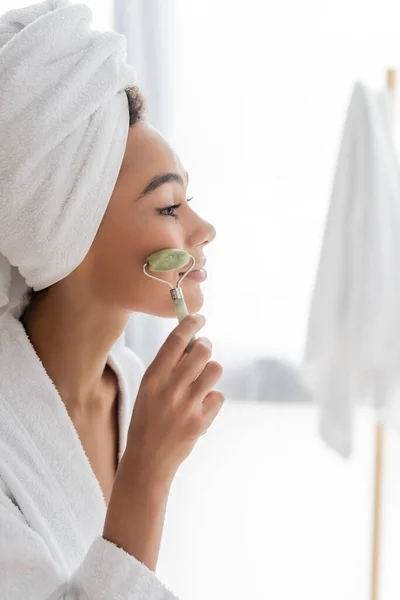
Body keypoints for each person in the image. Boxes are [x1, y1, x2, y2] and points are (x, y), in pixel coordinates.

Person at [0, 1, 224, 598]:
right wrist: (146, 476)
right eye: (169, 207)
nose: (204, 230)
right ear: (69, 227)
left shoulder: (133, 386)